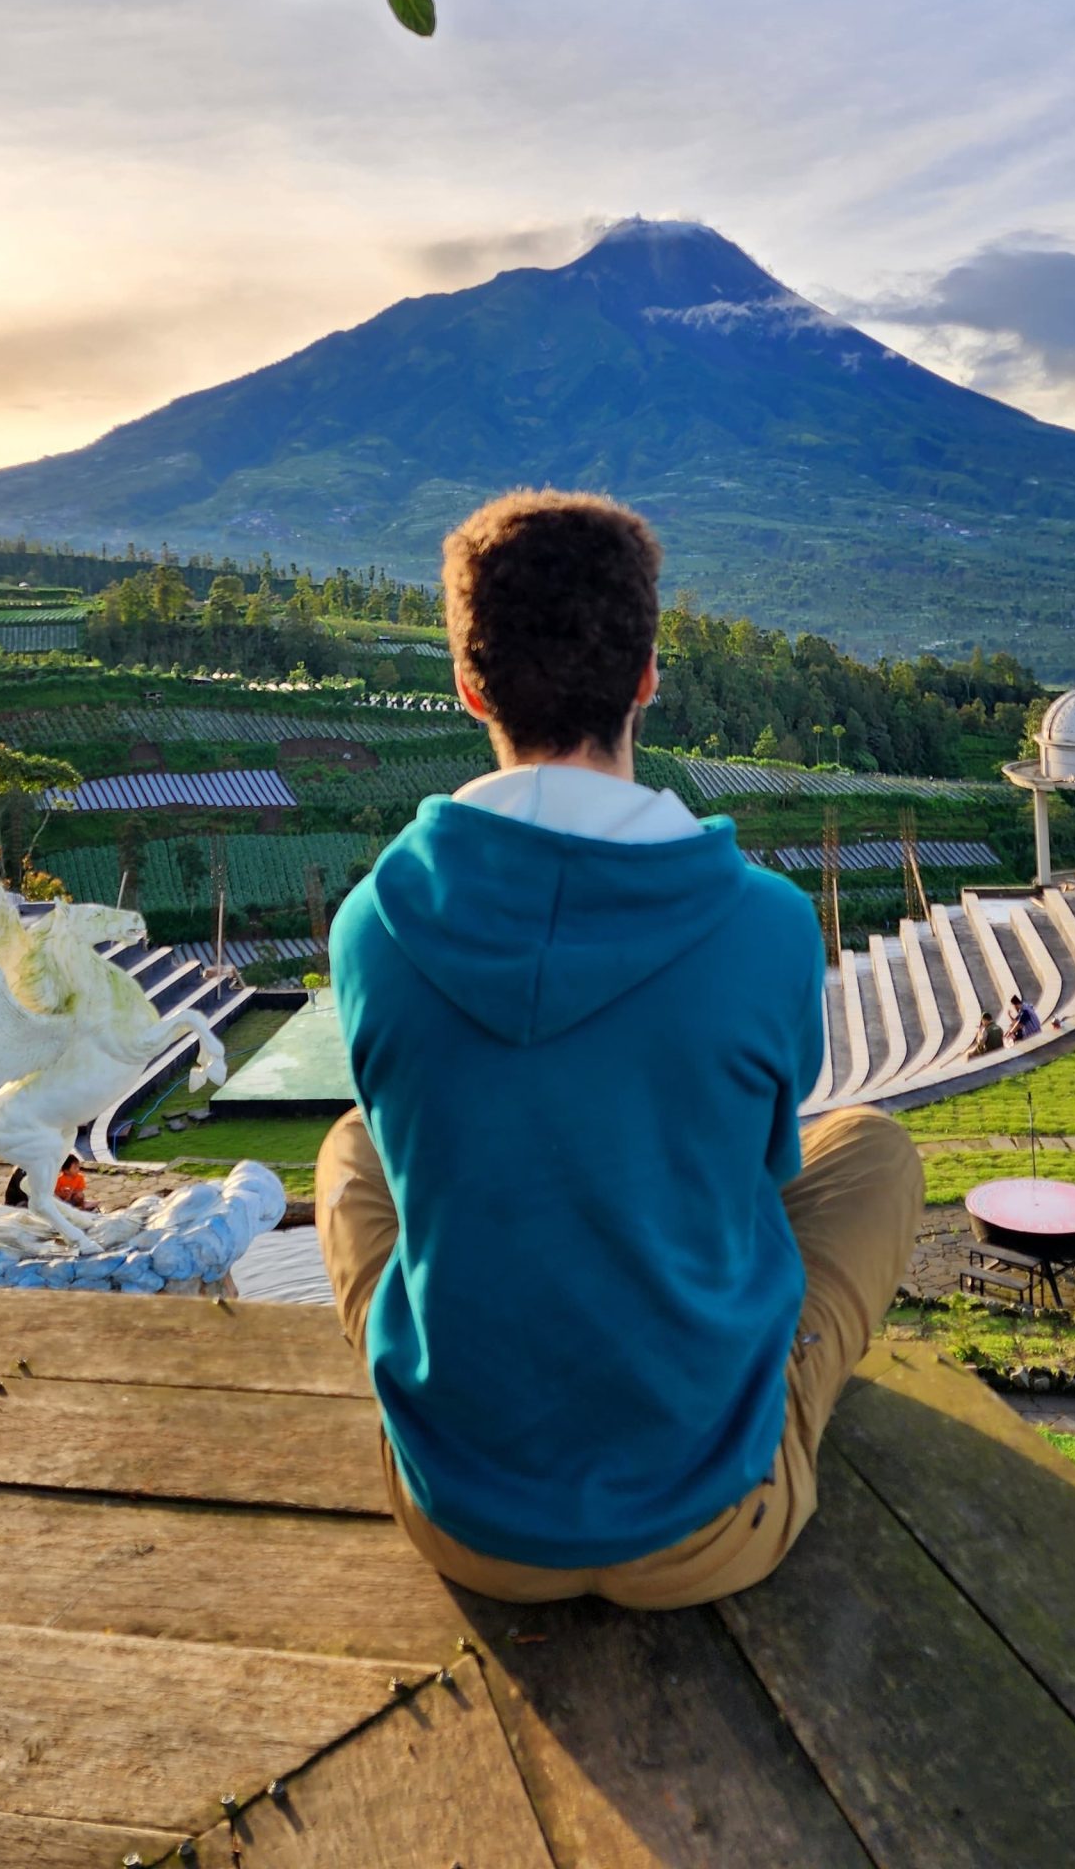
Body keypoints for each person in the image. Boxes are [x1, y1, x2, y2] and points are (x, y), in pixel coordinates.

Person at [318, 490, 921, 1608]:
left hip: (464, 1515)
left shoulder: (371, 927)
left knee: (351, 1151)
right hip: (709, 1520)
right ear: (646, 676)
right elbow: (759, 1178)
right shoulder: (767, 925)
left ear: (470, 689)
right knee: (876, 1153)